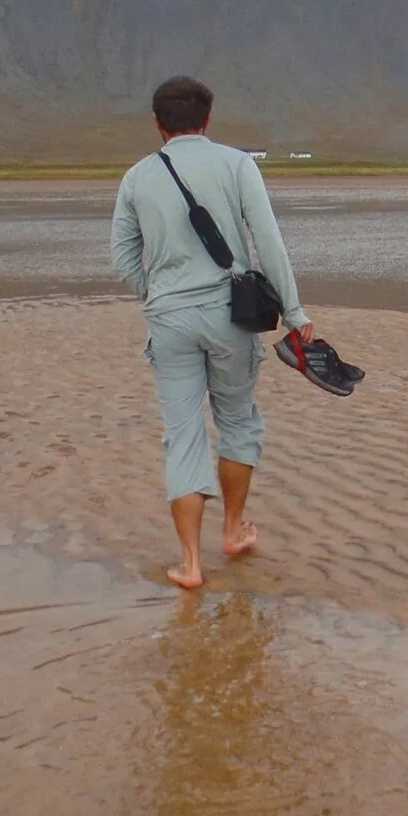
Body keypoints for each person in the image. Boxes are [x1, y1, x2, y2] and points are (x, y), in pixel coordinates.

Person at [110, 76, 317, 590]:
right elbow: (268, 241)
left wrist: (156, 293)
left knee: (182, 436)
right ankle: (232, 530)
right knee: (238, 421)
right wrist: (293, 312)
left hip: (169, 319)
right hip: (231, 314)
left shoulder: (137, 177)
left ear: (159, 124)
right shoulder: (237, 164)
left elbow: (122, 258)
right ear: (207, 120)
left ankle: (189, 563)